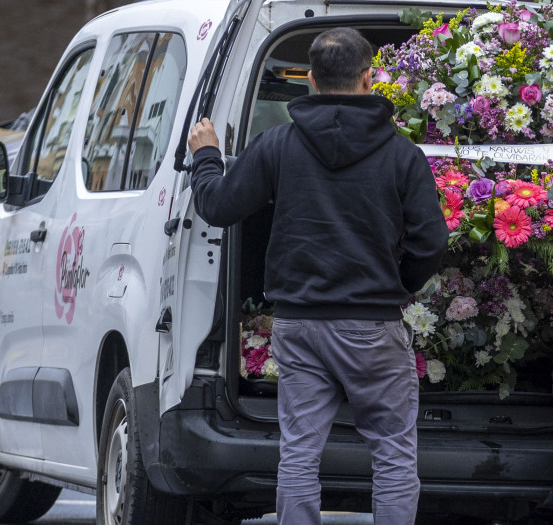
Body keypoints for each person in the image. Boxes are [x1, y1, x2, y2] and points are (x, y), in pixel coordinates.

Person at [186, 27, 448, 525]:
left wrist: (206, 156)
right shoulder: (402, 154)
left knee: (299, 453)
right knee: (393, 451)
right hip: (373, 327)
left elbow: (218, 206)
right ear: (369, 78)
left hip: (300, 324)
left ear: (309, 79)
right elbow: (431, 242)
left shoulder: (277, 145)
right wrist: (399, 285)